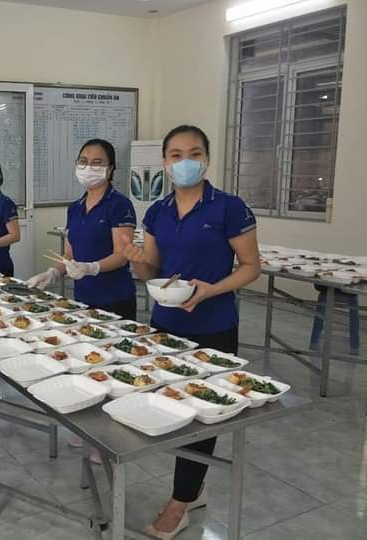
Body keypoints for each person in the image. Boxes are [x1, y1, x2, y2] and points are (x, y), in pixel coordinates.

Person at [124, 125, 260, 539]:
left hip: (214, 327)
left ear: (206, 159)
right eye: (176, 154)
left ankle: (180, 502)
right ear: (165, 163)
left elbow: (251, 267)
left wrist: (211, 290)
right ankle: (194, 488)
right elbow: (152, 270)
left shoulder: (229, 208)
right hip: (166, 327)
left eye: (194, 153)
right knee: (173, 410)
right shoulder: (157, 211)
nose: (185, 162)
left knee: (201, 417)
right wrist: (135, 260)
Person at [26, 138, 137, 319]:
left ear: (110, 169)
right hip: (82, 297)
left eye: (97, 163)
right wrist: (53, 273)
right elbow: (70, 254)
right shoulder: (75, 208)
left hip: (115, 299)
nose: (88, 167)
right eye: (83, 161)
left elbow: (122, 255)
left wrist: (91, 267)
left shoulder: (119, 205)